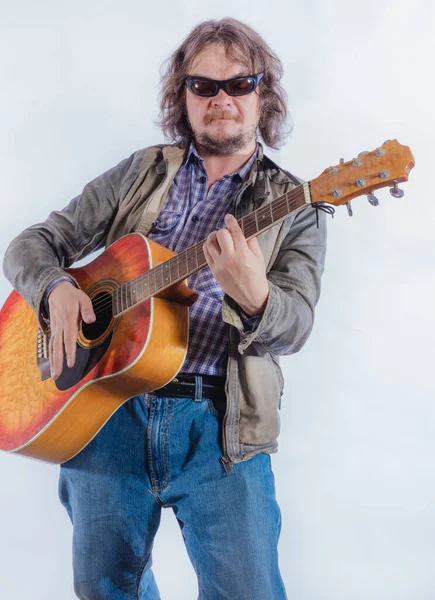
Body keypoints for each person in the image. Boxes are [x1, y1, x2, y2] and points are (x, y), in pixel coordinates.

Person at [2, 17, 327, 600]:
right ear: (183, 96)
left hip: (222, 429)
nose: (221, 99)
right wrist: (55, 289)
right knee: (105, 591)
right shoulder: (143, 171)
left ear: (264, 96)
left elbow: (296, 323)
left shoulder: (295, 205)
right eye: (202, 86)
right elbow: (31, 245)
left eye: (239, 84)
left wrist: (255, 295)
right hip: (107, 413)